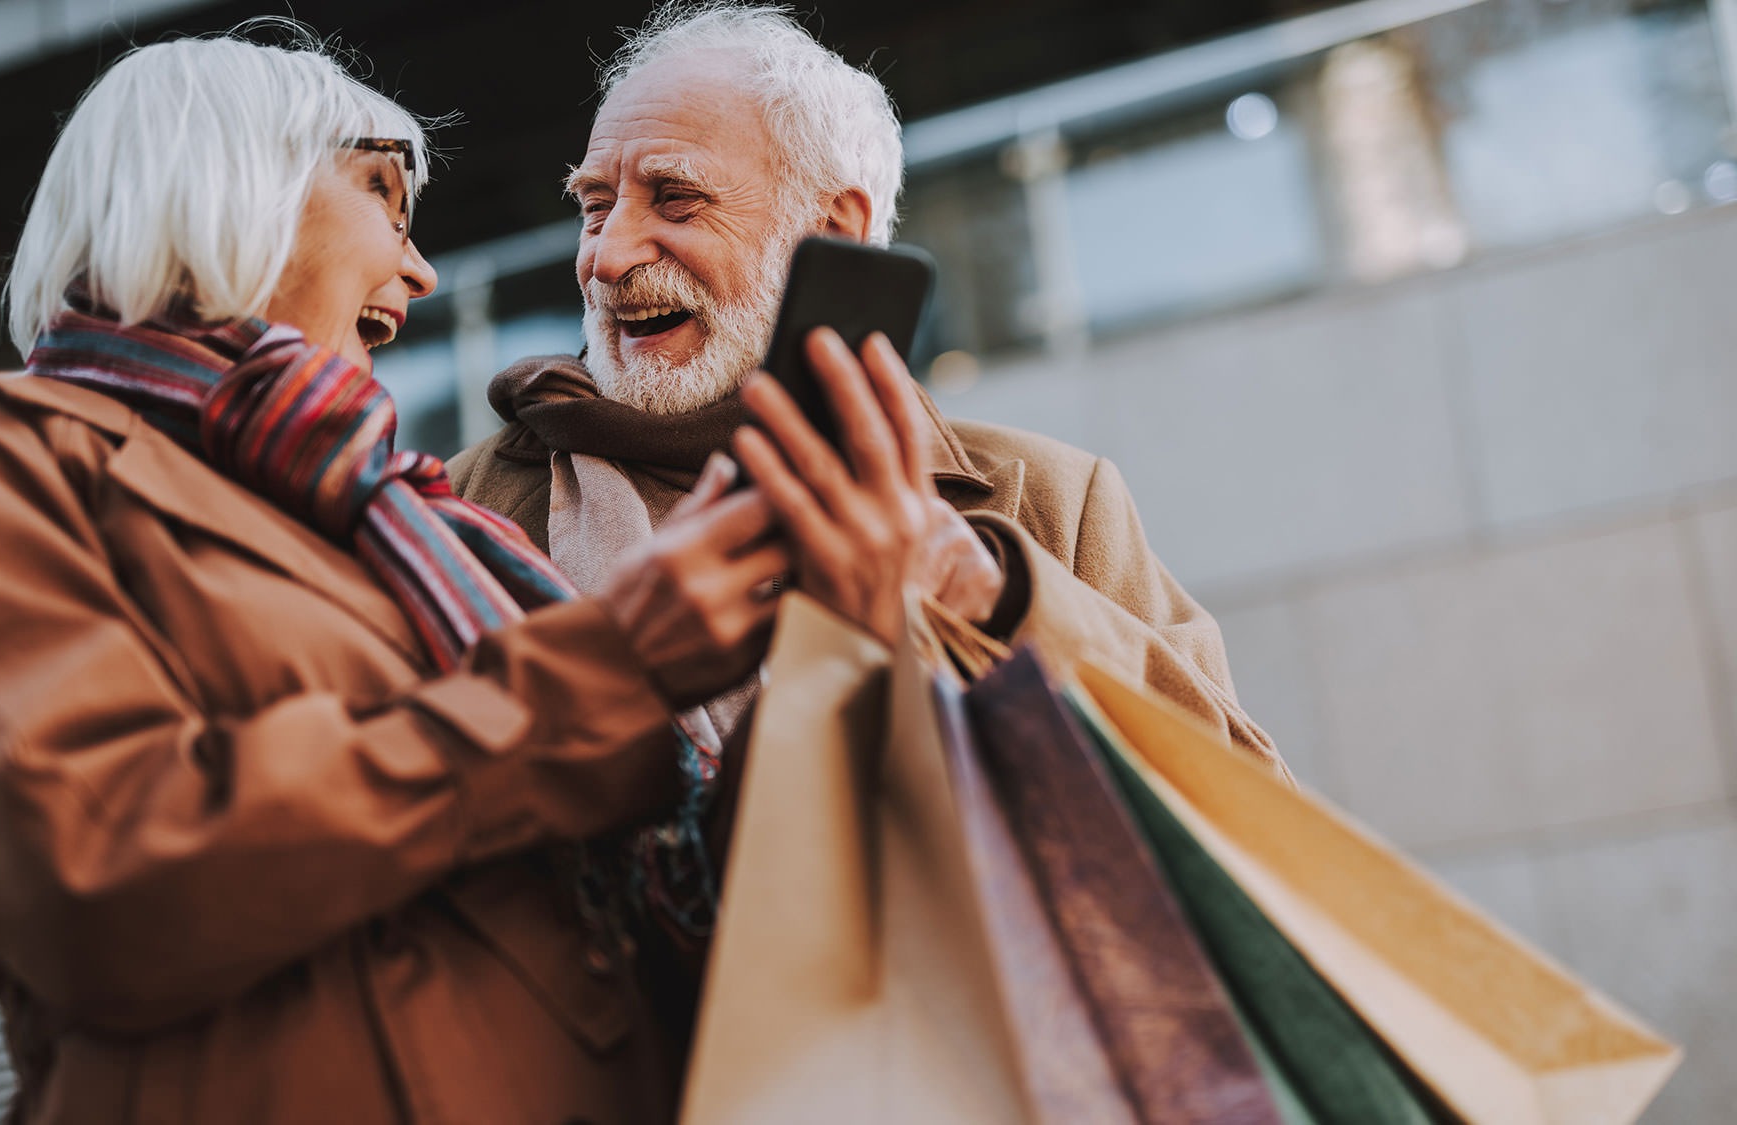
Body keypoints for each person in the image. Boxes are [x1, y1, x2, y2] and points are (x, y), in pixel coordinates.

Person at [0, 25, 868, 1124]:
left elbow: (646, 900)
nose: (419, 271)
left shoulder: (422, 523)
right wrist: (606, 668)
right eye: (385, 199)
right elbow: (95, 882)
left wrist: (822, 639)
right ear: (240, 182)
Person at [449, 1, 1282, 767]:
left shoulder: (1054, 502)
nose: (607, 254)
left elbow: (1254, 825)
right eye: (595, 206)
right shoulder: (458, 511)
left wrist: (988, 598)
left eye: (675, 199)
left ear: (834, 230)